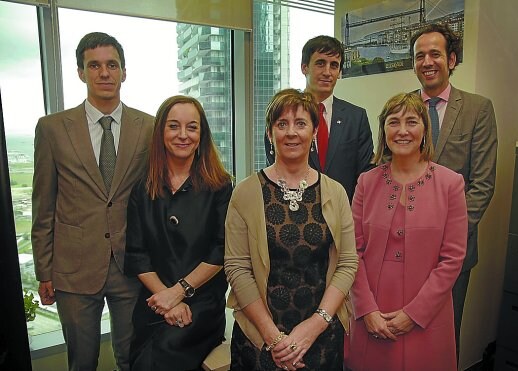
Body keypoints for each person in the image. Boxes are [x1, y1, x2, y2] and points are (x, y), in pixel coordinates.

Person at [31, 32, 154, 371]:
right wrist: (44, 270)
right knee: (82, 361)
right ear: (81, 73)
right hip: (73, 270)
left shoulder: (149, 127)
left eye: (111, 65)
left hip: (131, 267)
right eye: (94, 65)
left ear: (123, 72)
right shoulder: (52, 128)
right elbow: (44, 204)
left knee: (132, 357)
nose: (104, 73)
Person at [225, 88, 358, 370]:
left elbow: (347, 263)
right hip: (260, 340)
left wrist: (315, 324)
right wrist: (274, 339)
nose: (291, 132)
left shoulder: (335, 192)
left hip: (321, 336)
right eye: (281, 124)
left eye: (300, 123)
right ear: (270, 133)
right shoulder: (245, 193)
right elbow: (237, 268)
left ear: (313, 132)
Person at [345, 93, 468, 371]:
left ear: (424, 130)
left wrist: (414, 314)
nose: (402, 131)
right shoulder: (366, 182)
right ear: (383, 130)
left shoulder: (451, 184)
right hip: (373, 313)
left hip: (427, 316)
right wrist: (366, 310)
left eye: (411, 122)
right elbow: (353, 251)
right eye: (393, 122)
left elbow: (452, 259)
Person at [124, 95, 233, 370]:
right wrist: (168, 298)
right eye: (174, 126)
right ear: (161, 132)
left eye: (192, 127)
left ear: (202, 134)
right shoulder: (142, 189)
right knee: (138, 359)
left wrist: (180, 291)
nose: (183, 135)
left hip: (201, 304)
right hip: (155, 299)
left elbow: (220, 251)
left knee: (163, 356)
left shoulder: (220, 187)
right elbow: (138, 255)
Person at [410, 23, 498, 357]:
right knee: (403, 336)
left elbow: (483, 185)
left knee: (444, 336)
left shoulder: (478, 109)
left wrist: (446, 236)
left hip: (453, 252)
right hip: (403, 248)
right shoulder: (400, 109)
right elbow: (386, 176)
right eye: (420, 56)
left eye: (435, 53)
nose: (427, 61)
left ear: (452, 59)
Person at [265, 35, 373, 202]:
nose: (327, 72)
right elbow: (275, 167)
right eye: (320, 63)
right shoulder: (283, 116)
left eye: (334, 65)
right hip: (292, 211)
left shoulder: (356, 118)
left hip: (342, 215)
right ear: (304, 67)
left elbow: (365, 175)